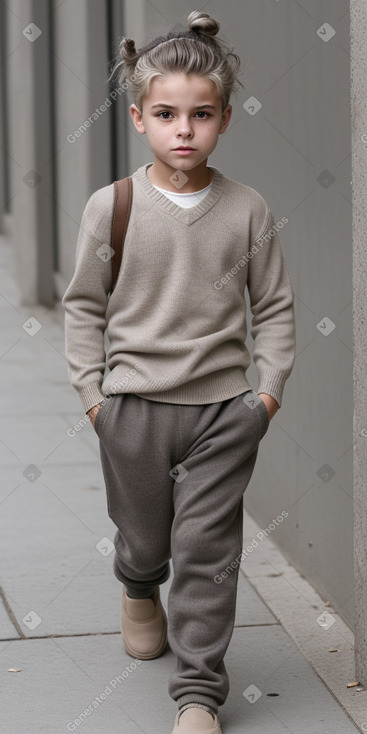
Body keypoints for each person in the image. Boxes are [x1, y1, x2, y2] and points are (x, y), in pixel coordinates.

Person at [62, 10, 296, 734]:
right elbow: (83, 308)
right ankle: (137, 584)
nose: (183, 129)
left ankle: (198, 693)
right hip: (131, 412)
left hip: (224, 412)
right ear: (137, 117)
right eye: (165, 114)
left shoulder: (247, 210)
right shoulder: (113, 208)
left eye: (200, 114)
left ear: (224, 117)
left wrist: (265, 393)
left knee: (206, 551)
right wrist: (95, 397)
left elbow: (276, 308)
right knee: (145, 539)